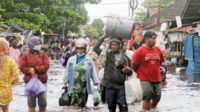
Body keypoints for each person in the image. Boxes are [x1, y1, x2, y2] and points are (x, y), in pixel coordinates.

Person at [94, 37, 132, 112]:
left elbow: (130, 73)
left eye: (116, 45)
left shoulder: (125, 58)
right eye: (112, 44)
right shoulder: (107, 55)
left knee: (123, 107)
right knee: (111, 108)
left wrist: (129, 71)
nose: (114, 46)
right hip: (109, 86)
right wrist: (103, 37)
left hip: (121, 87)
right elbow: (95, 48)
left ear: (120, 46)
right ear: (110, 46)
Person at [132, 31, 165, 112]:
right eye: (153, 38)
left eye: (155, 39)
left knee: (158, 97)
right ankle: (146, 110)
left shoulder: (157, 49)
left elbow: (160, 62)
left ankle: (153, 108)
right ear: (146, 39)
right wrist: (141, 72)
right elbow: (134, 65)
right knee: (148, 95)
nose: (155, 41)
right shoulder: (139, 51)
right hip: (144, 78)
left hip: (157, 77)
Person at [63, 38, 99, 108]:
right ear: (76, 49)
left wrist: (96, 84)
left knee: (82, 106)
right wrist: (65, 83)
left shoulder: (89, 60)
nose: (80, 50)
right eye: (78, 48)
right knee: (73, 106)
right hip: (73, 86)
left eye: (82, 48)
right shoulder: (71, 60)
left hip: (84, 88)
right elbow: (67, 71)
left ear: (84, 49)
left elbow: (93, 72)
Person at [19, 36, 50, 112]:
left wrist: (36, 69)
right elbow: (22, 67)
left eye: (39, 44)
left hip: (42, 81)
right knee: (31, 103)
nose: (39, 46)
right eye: (37, 44)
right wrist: (29, 70)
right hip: (30, 82)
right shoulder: (25, 55)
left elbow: (46, 66)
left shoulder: (43, 54)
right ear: (32, 45)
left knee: (43, 103)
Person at [0, 38, 19, 112]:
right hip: (6, 91)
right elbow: (16, 76)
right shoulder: (10, 60)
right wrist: (10, 83)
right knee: (5, 109)